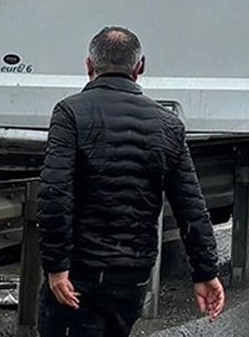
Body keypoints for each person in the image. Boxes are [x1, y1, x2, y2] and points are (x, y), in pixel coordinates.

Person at [38, 27, 223, 336]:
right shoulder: (168, 124)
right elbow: (191, 206)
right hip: (132, 274)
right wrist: (206, 273)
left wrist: (56, 266)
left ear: (89, 66)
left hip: (80, 271)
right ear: (140, 67)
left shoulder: (70, 112)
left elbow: (55, 192)